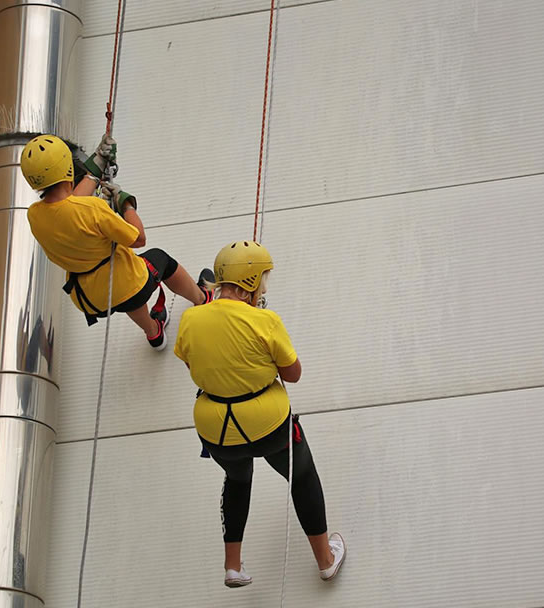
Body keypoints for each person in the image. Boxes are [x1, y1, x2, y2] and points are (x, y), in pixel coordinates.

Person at [174, 240, 346, 587]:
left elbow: (190, 360)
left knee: (238, 479)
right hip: (268, 426)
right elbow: (293, 374)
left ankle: (233, 566)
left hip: (216, 430)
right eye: (262, 280)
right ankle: (325, 560)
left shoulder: (190, 319)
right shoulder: (265, 321)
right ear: (250, 282)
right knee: (302, 476)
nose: (264, 288)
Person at [20, 133, 213, 349]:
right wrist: (125, 203)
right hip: (126, 284)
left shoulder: (35, 215)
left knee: (127, 295)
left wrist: (95, 169)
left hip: (91, 298)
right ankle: (202, 297)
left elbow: (70, 206)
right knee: (160, 260)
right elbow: (138, 238)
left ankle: (154, 332)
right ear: (67, 167)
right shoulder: (94, 210)